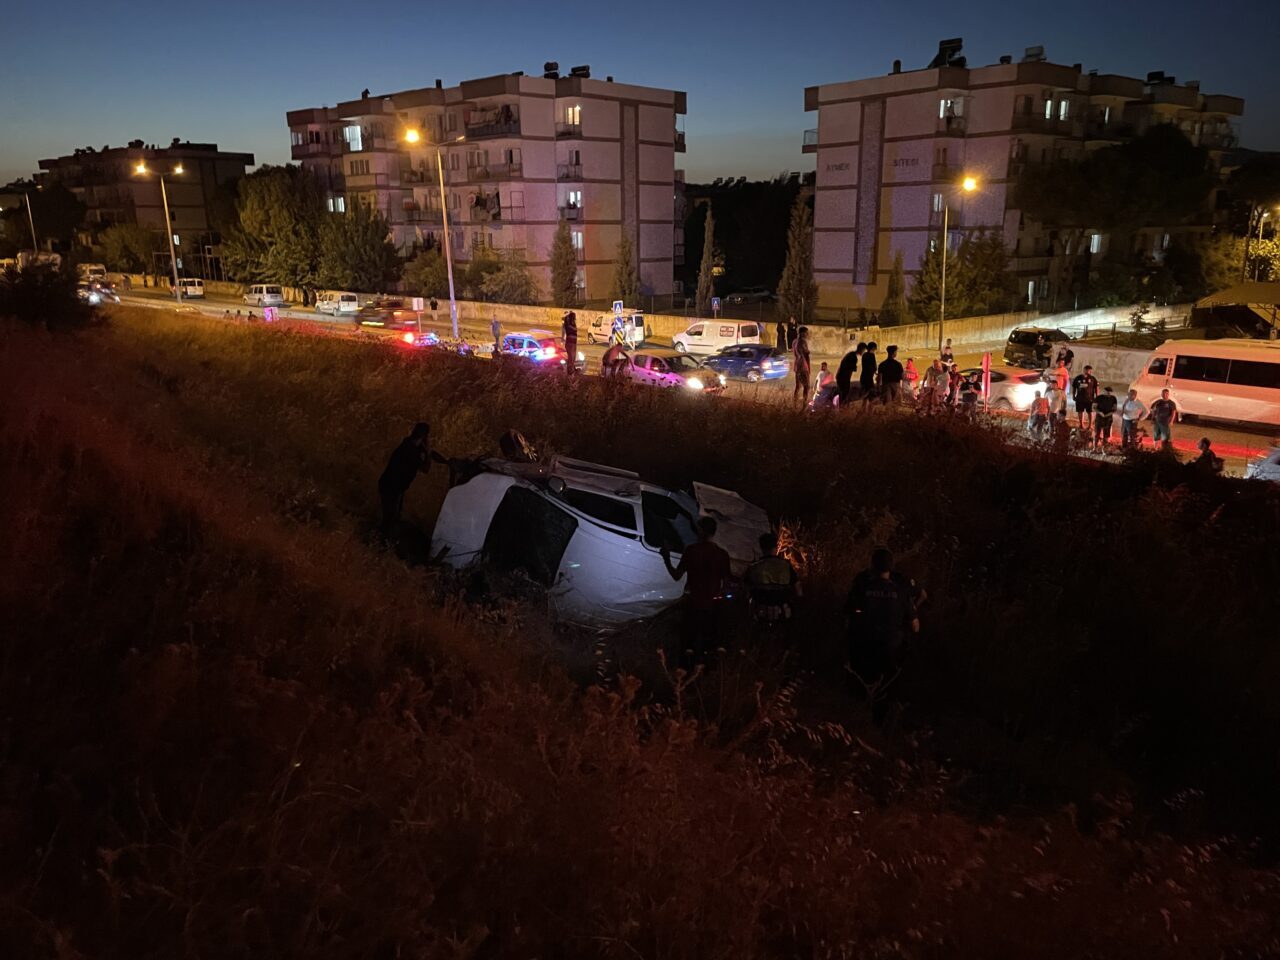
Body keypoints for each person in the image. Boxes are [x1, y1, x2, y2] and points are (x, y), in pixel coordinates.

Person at [845, 547, 920, 724]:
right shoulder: (900, 592)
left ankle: (859, 716)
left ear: (872, 566)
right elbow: (915, 627)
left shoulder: (863, 588)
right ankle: (885, 720)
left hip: (866, 647)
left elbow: (849, 616)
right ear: (891, 567)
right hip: (891, 649)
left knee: (864, 683)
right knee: (889, 686)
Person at [661, 517, 732, 666]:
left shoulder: (691, 551)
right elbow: (726, 585)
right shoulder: (722, 554)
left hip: (693, 603)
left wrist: (666, 558)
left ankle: (685, 670)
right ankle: (708, 670)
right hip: (712, 606)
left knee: (688, 643)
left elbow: (676, 576)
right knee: (709, 643)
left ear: (700, 531)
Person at [378, 422, 442, 536]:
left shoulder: (409, 443)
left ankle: (382, 538)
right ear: (425, 436)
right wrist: (428, 454)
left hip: (391, 485)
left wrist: (445, 461)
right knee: (390, 518)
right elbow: (425, 468)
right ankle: (381, 539)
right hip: (392, 487)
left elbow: (431, 453)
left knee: (391, 517)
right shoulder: (411, 451)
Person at [744, 532, 801, 622]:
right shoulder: (786, 566)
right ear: (776, 547)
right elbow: (798, 590)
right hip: (782, 613)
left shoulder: (754, 567)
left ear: (761, 548)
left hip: (760, 612)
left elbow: (745, 590)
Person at [1072, 365, 1099, 430]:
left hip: (1089, 399)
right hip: (1080, 398)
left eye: (1090, 371)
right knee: (1080, 411)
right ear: (1084, 370)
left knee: (1090, 412)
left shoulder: (1093, 379)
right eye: (1087, 370)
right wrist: (1073, 395)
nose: (1088, 372)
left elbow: (1096, 388)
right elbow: (1074, 387)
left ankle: (1090, 425)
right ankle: (1081, 424)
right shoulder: (1078, 378)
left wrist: (1097, 397)